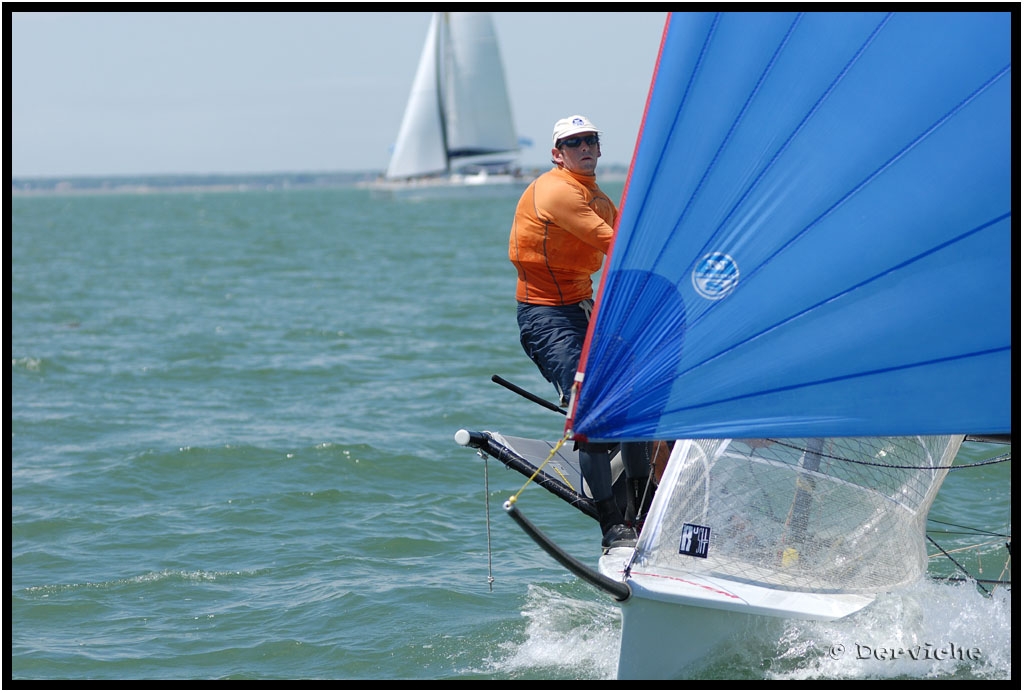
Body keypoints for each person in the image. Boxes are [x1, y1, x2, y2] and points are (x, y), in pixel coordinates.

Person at [508, 114, 652, 549]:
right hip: (546, 316)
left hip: (585, 310)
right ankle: (611, 524)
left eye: (590, 139)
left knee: (635, 405)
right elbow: (623, 245)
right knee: (593, 412)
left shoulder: (599, 199)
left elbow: (635, 235)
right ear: (557, 154)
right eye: (573, 143)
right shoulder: (556, 192)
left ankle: (641, 512)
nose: (584, 147)